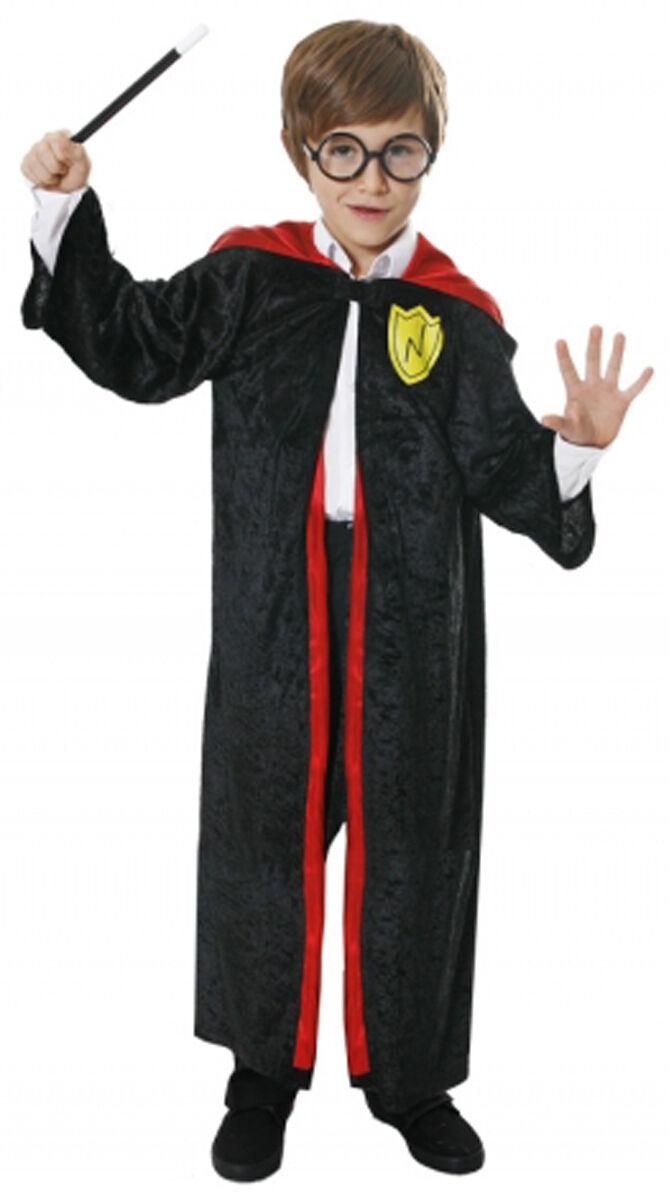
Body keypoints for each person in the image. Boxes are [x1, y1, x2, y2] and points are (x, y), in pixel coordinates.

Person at [19, 18, 653, 1184]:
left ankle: (410, 1082)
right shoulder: (252, 277)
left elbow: (510, 475)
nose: (373, 179)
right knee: (262, 835)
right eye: (344, 151)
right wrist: (62, 211)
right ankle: (261, 1075)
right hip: (276, 610)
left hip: (414, 624)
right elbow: (134, 345)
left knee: (416, 845)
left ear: (431, 154)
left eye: (400, 151)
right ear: (301, 152)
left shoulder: (456, 315)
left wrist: (579, 450)